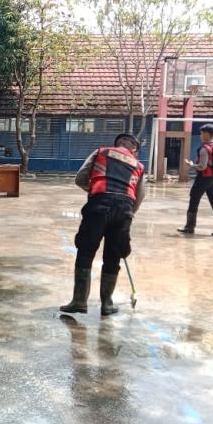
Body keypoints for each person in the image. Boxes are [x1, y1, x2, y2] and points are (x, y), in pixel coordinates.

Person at [60, 133, 145, 316]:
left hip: (99, 204)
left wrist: (96, 191)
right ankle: (107, 304)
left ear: (117, 143)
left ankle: (79, 301)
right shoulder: (139, 166)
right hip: (124, 210)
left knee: (86, 250)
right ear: (133, 148)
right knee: (113, 256)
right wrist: (129, 212)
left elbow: (80, 178)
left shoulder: (101, 152)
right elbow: (139, 196)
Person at [178, 123, 213, 237]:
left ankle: (189, 227)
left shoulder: (204, 149)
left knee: (194, 200)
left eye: (201, 133)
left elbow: (202, 167)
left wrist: (191, 164)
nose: (200, 136)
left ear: (207, 134)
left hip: (204, 178)